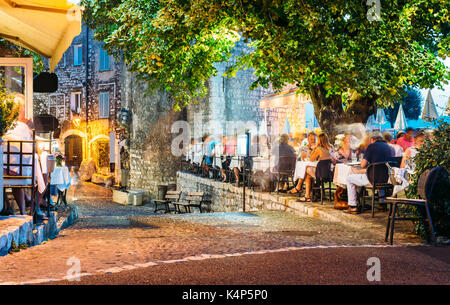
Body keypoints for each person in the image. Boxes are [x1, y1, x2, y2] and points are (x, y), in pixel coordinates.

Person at [2, 94, 46, 218]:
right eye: (23, 108)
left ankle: (13, 207)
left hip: (3, 170)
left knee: (16, 169)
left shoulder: (4, 127)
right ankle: (33, 208)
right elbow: (31, 149)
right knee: (43, 171)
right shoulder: (23, 127)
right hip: (21, 171)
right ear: (19, 110)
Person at [345, 132, 393, 214]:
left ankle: (353, 206)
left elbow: (363, 165)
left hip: (372, 179)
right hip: (386, 179)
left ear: (372, 139)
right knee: (379, 175)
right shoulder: (389, 147)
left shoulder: (372, 146)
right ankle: (382, 204)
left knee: (349, 179)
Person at [296, 134, 333, 201]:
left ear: (319, 140)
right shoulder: (331, 147)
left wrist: (313, 149)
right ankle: (307, 195)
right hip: (330, 173)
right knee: (308, 175)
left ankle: (306, 195)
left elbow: (311, 159)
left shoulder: (319, 149)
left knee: (306, 169)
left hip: (322, 175)